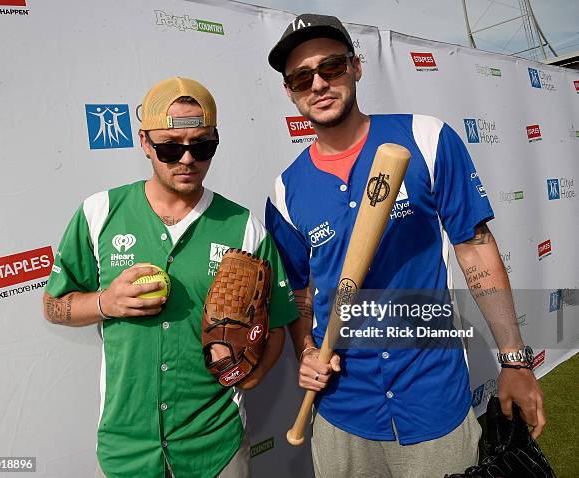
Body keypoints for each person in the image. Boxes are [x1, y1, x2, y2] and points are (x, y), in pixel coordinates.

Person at [265, 14, 545, 478]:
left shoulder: (426, 138)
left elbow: (475, 248)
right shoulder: (286, 190)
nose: (318, 83)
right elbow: (299, 293)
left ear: (356, 66)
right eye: (302, 77)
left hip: (431, 402)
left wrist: (513, 359)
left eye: (331, 67)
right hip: (342, 410)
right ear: (290, 91)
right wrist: (308, 352)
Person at [43, 76, 298, 478]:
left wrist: (256, 372)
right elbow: (54, 306)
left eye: (201, 146)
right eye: (169, 147)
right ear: (144, 143)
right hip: (126, 450)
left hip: (215, 445)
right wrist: (103, 303)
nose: (186, 159)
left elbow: (279, 323)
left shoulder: (244, 227)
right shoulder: (98, 213)